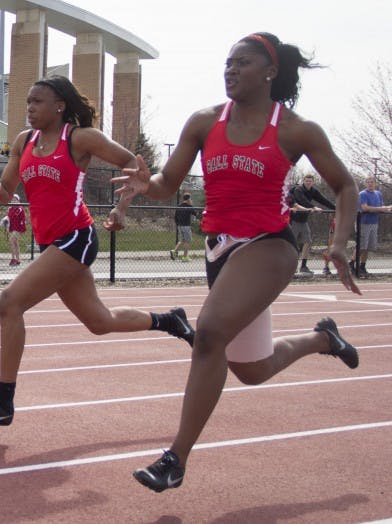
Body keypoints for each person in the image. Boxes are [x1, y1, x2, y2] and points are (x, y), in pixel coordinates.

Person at [115, 33, 362, 492]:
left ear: (269, 71)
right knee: (251, 369)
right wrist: (144, 183)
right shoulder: (204, 122)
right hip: (219, 251)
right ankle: (322, 338)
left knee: (208, 333)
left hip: (270, 245)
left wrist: (340, 243)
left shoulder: (294, 129)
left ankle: (175, 459)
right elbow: (168, 184)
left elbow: (345, 186)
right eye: (227, 62)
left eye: (242, 63)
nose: (230, 70)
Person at [0, 76, 196, 429]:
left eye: (38, 101)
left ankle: (3, 403)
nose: (30, 108)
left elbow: (133, 166)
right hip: (50, 243)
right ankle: (169, 320)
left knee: (9, 302)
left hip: (76, 237)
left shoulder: (80, 138)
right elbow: (6, 192)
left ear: (59, 105)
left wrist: (121, 209)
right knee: (99, 321)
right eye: (28, 101)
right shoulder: (24, 142)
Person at [288, 173, 335, 275]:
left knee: (308, 242)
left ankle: (303, 266)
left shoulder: (313, 191)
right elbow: (302, 201)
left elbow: (323, 200)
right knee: (292, 244)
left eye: (310, 181)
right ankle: (289, 266)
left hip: (303, 220)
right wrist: (313, 207)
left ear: (313, 182)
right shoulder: (298, 190)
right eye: (306, 181)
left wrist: (335, 208)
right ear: (303, 181)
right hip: (294, 220)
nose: (308, 183)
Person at [357, 175, 391, 277]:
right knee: (361, 246)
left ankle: (362, 266)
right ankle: (352, 263)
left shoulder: (378, 194)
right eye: (368, 182)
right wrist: (381, 209)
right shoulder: (362, 194)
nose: (370, 184)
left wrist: (388, 208)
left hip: (374, 223)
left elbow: (381, 207)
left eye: (372, 182)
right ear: (365, 183)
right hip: (363, 222)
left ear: (375, 183)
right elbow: (365, 208)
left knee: (367, 247)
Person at [170, 193, 200, 262]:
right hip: (186, 226)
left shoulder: (179, 206)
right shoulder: (189, 207)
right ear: (188, 199)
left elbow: (175, 217)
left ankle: (174, 251)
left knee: (182, 240)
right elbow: (196, 214)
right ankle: (185, 257)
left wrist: (178, 224)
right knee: (187, 241)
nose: (191, 200)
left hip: (180, 226)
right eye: (190, 198)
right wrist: (192, 205)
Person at [4, 194, 26, 266]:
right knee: (15, 243)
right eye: (12, 199)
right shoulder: (10, 208)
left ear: (18, 201)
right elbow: (9, 217)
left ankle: (13, 259)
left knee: (11, 241)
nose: (13, 201)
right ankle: (18, 259)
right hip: (12, 228)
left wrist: (23, 229)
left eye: (15, 199)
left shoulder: (19, 209)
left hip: (17, 228)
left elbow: (22, 219)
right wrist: (6, 220)